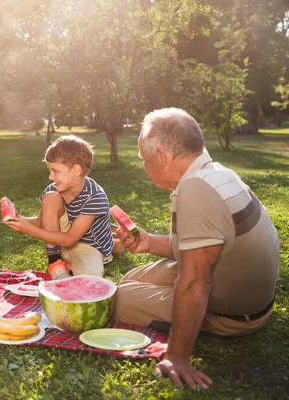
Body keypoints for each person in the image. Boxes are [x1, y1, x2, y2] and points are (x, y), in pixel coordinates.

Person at [113, 108, 279, 390]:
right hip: (245, 291)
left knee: (117, 298)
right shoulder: (213, 173)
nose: (144, 166)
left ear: (162, 156)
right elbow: (200, 246)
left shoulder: (195, 190)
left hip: (235, 316)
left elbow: (194, 281)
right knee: (130, 280)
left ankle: (192, 333)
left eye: (145, 159)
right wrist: (149, 242)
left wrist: (177, 357)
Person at [4, 135, 114, 279]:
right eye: (50, 171)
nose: (50, 177)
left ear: (76, 170)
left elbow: (70, 239)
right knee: (51, 196)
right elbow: (41, 221)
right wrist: (19, 219)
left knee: (91, 276)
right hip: (60, 243)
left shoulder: (95, 197)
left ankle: (69, 263)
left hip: (89, 247)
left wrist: (29, 230)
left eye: (55, 171)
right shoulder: (54, 188)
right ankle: (54, 260)